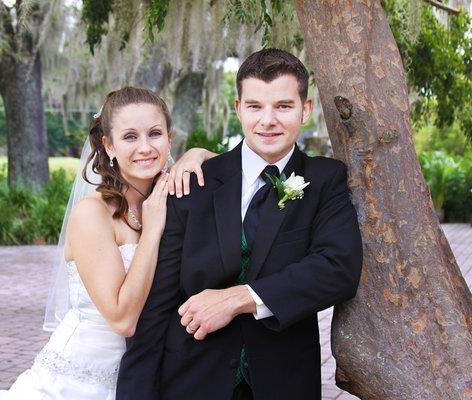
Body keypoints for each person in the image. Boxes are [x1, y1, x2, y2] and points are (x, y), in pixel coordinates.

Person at [116, 49, 363, 400]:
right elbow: (155, 307)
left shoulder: (325, 180)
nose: (268, 120)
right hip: (191, 380)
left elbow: (338, 268)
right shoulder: (193, 182)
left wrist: (239, 298)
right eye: (255, 107)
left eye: (283, 106)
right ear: (237, 108)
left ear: (305, 110)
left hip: (284, 382)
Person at [0, 87, 214, 400]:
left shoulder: (168, 196)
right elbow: (122, 320)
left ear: (170, 139)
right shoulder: (92, 214)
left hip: (144, 377)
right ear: (108, 145)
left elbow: (238, 170)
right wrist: (151, 230)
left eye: (155, 133)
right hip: (77, 380)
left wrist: (197, 154)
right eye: (130, 137)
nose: (146, 147)